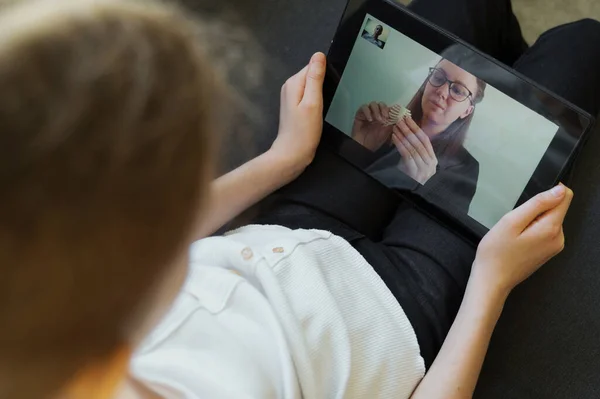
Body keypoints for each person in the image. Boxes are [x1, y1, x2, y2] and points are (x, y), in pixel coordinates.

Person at [0, 1, 598, 399]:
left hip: (292, 231)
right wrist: (492, 280)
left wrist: (282, 159)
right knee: (580, 49)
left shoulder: (53, 311)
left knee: (458, 8)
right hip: (390, 313)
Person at [352, 55, 486, 212]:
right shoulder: (381, 126)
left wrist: (420, 186)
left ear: (467, 111)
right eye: (438, 77)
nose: (442, 91)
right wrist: (358, 146)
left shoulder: (466, 168)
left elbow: (432, 232)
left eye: (457, 90)